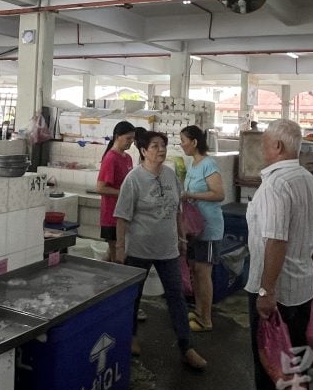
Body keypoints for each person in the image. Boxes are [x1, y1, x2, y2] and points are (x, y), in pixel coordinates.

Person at [246, 118, 313, 390]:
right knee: (295, 362)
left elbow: (275, 241)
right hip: (302, 289)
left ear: (277, 147)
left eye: (264, 142)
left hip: (276, 295)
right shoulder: (308, 180)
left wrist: (266, 292)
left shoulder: (276, 185)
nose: (262, 147)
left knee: (270, 366)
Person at [114, 129, 207, 371]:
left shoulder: (170, 175)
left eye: (163, 145)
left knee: (176, 298)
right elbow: (122, 217)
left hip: (168, 250)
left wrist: (181, 237)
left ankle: (186, 347)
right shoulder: (133, 179)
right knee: (133, 298)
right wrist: (121, 248)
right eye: (155, 146)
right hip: (139, 250)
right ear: (144, 151)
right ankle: (131, 336)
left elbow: (177, 209)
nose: (161, 150)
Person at [179, 125, 225, 332]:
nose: (182, 145)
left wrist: (191, 195)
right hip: (195, 228)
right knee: (195, 270)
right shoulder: (193, 164)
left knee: (203, 272)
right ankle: (198, 311)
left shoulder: (208, 164)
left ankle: (206, 319)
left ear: (195, 142)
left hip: (209, 228)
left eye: (183, 141)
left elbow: (218, 194)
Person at [96, 121, 136, 263]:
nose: (131, 142)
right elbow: (100, 188)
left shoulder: (128, 158)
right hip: (112, 216)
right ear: (117, 136)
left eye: (132, 138)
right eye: (128, 138)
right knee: (117, 258)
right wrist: (124, 194)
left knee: (114, 254)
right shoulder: (111, 158)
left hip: (125, 213)